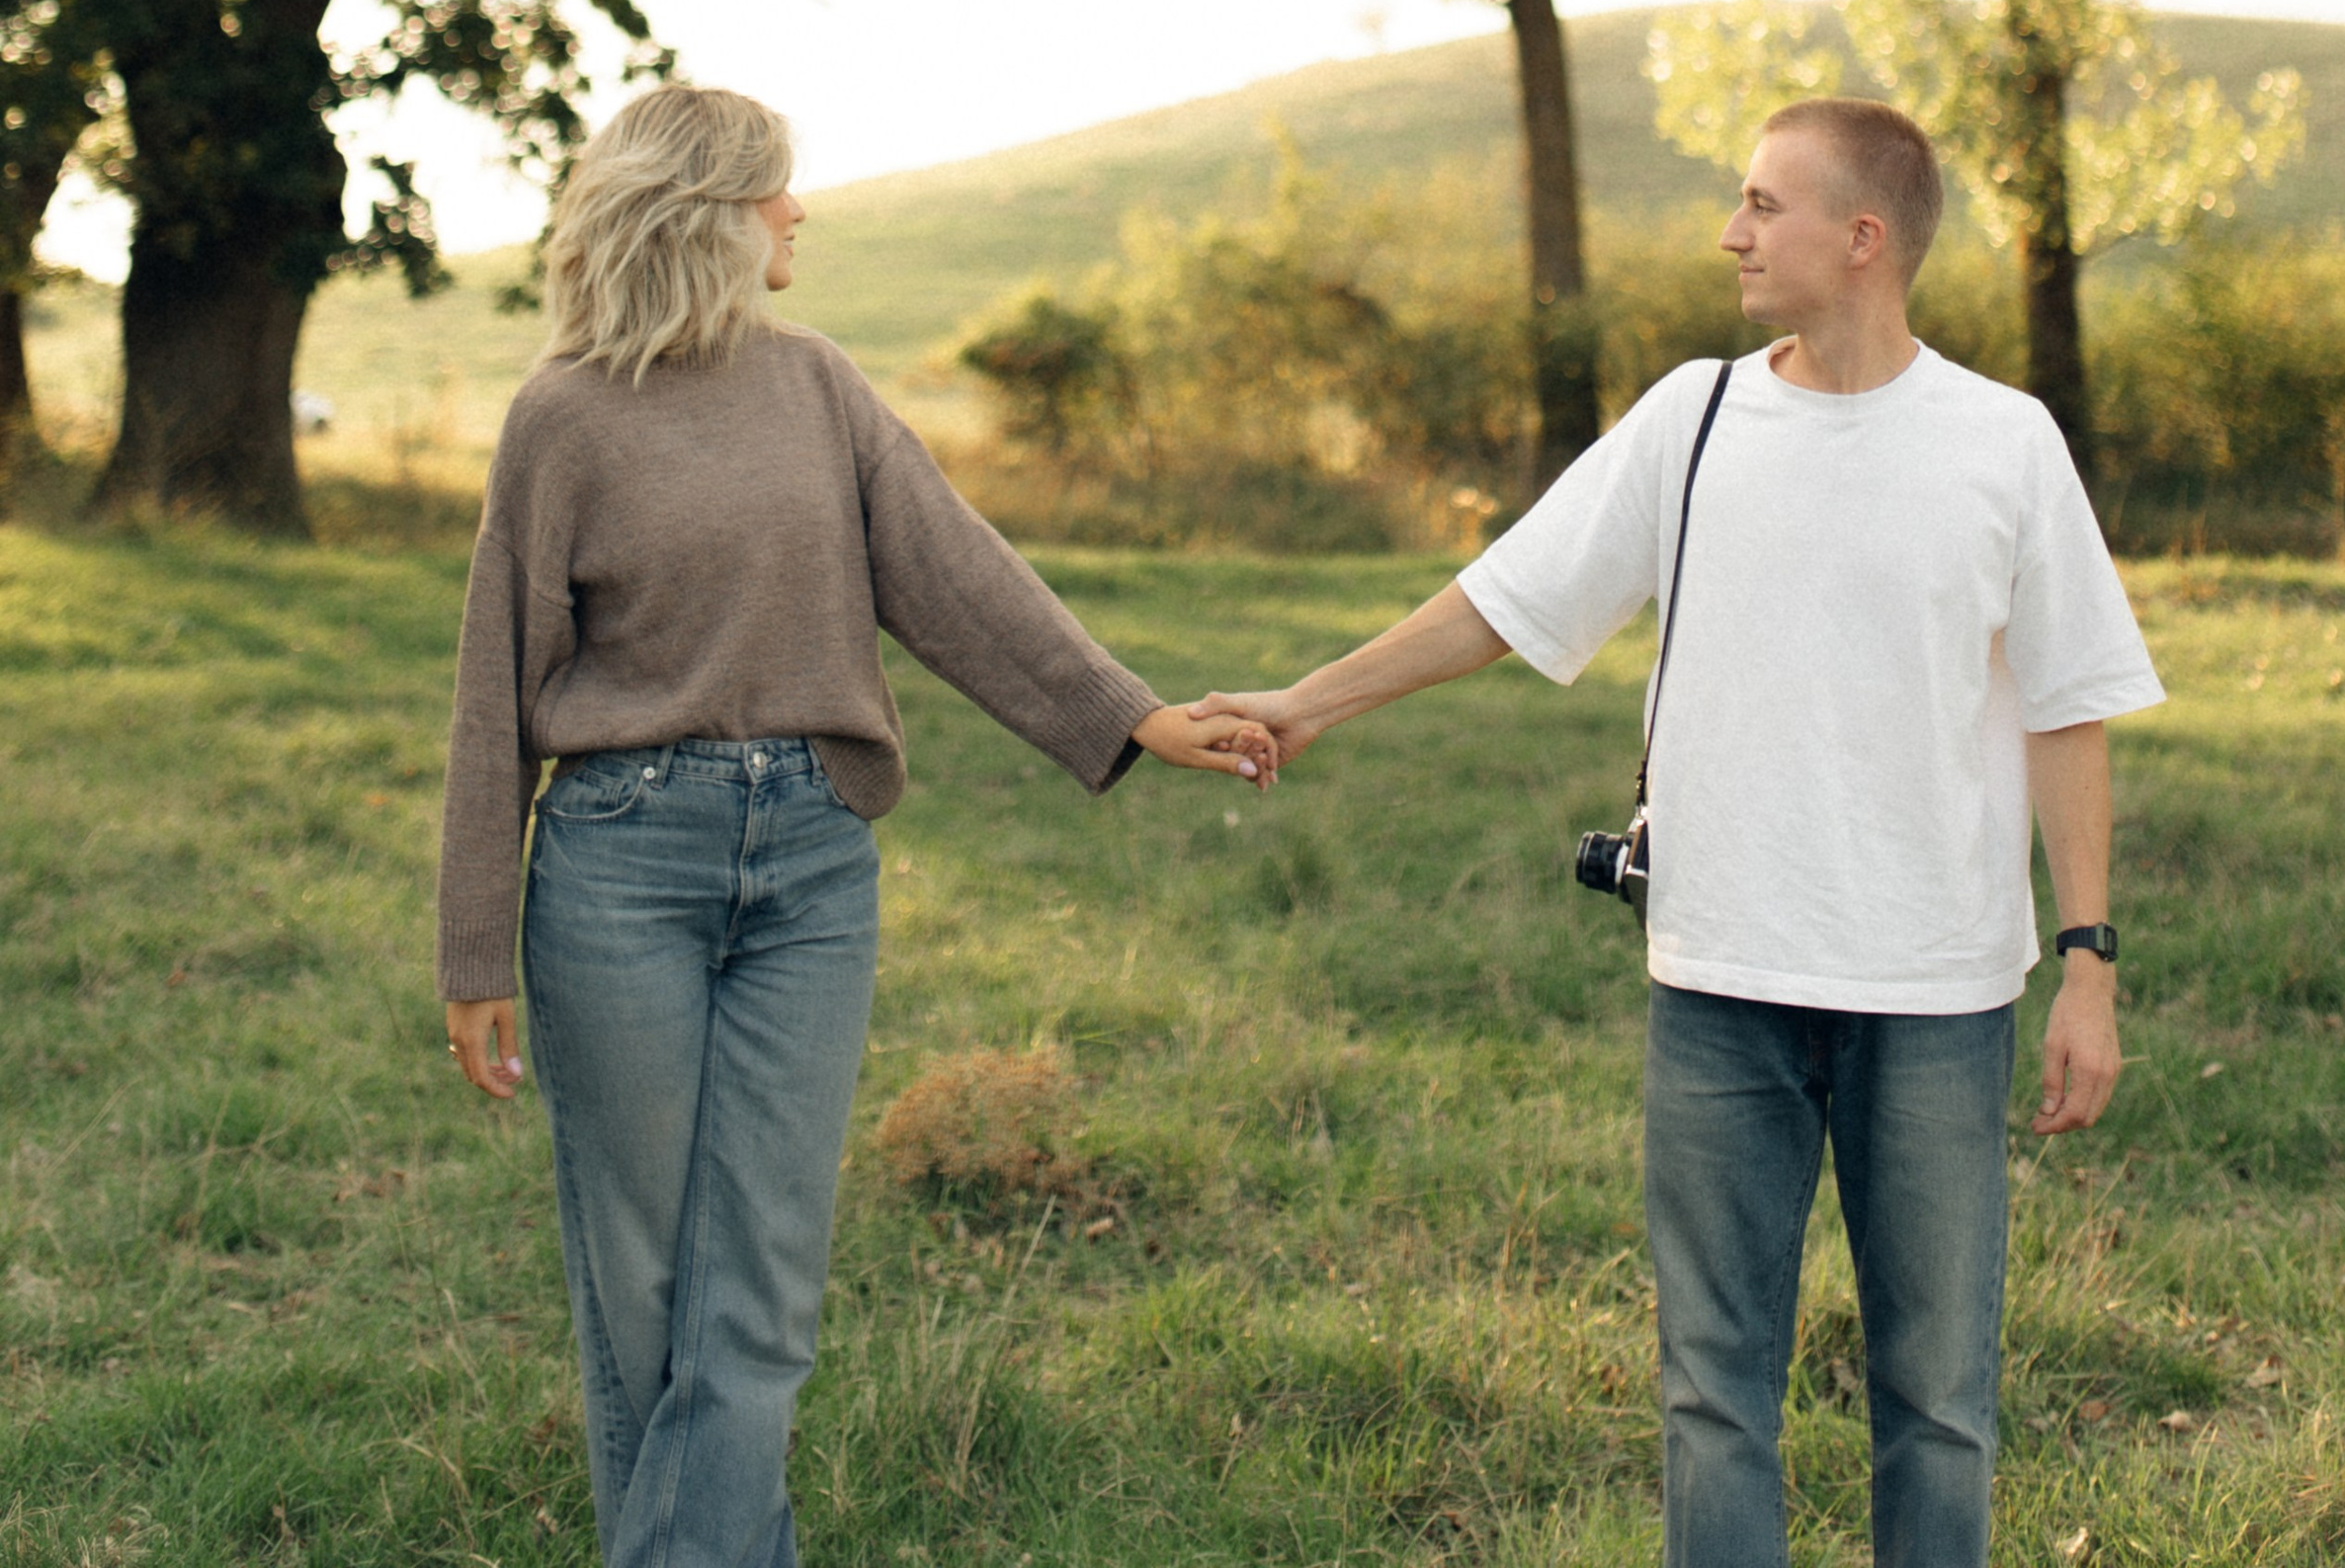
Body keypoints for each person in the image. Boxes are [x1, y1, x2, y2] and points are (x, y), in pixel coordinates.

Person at [1193, 95, 2161, 1568]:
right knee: (1714, 1395)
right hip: (1720, 986)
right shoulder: (1694, 419)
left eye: (1765, 205)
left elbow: (2068, 709)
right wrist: (1317, 703)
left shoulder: (2002, 443)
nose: (1730, 231)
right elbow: (1503, 599)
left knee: (1941, 1397)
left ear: (1863, 236)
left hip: (1938, 996)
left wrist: (2087, 962)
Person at [437, 83, 1276, 1568]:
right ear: (706, 215)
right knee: (640, 1287)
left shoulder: (816, 383)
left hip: (814, 863)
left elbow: (956, 572)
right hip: (618, 870)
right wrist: (473, 948)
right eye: (777, 190)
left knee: (759, 1280)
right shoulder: (560, 419)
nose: (800, 212)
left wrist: (1133, 715)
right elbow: (493, 691)